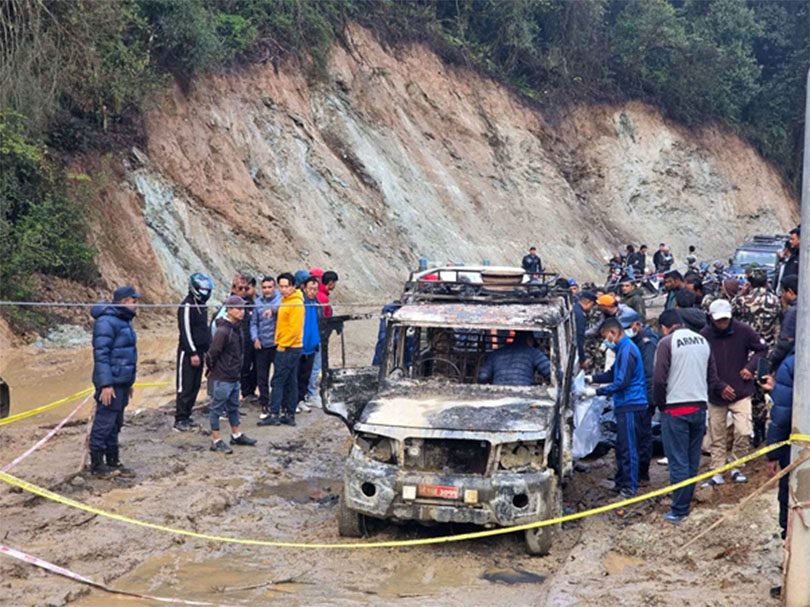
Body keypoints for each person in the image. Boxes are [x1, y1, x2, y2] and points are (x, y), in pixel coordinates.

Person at [653, 310, 725, 523]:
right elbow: (713, 377)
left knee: (678, 461)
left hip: (675, 409)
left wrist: (661, 404)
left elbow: (658, 379)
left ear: (664, 327)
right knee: (692, 459)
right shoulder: (703, 341)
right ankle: (686, 500)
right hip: (698, 408)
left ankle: (679, 510)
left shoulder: (667, 343)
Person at [700, 299, 768, 486]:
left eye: (725, 319)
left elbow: (762, 349)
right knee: (717, 435)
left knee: (744, 431)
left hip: (741, 391)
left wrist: (750, 367)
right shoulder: (704, 335)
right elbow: (702, 365)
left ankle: (737, 466)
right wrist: (718, 386)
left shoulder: (743, 330)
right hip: (716, 394)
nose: (722, 323)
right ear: (710, 318)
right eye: (718, 320)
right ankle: (717, 470)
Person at [584, 318, 648, 498]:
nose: (606, 341)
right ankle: (620, 482)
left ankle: (629, 488)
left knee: (628, 448)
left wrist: (596, 393)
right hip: (624, 403)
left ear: (613, 333)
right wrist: (592, 379)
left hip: (631, 404)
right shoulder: (621, 349)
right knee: (621, 447)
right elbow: (612, 374)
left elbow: (621, 382)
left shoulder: (627, 350)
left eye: (606, 337)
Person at [88, 286, 141, 477]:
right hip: (111, 383)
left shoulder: (123, 321)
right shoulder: (106, 322)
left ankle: (113, 461)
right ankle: (97, 465)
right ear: (125, 301)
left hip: (121, 381)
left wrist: (129, 383)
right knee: (104, 423)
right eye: (134, 301)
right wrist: (106, 385)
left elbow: (126, 354)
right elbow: (101, 355)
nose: (136, 305)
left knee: (115, 424)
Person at [733, 269, 781, 445]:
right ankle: (762, 430)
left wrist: (742, 292)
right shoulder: (775, 300)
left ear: (750, 282)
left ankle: (752, 432)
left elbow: (731, 312)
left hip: (748, 353)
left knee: (750, 394)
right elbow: (779, 323)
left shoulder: (743, 300)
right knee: (765, 390)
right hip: (768, 352)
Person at [207, 296, 257, 453]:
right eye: (238, 309)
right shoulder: (223, 331)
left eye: (242, 309)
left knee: (234, 407)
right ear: (229, 310)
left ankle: (236, 435)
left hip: (234, 376)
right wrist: (214, 370)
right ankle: (216, 440)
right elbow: (212, 354)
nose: (241, 312)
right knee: (217, 408)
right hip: (223, 377)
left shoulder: (237, 329)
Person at [262, 272, 305, 426]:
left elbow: (294, 329)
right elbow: (281, 310)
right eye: (281, 286)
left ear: (293, 286)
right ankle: (289, 413)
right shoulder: (286, 300)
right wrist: (272, 310)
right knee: (291, 380)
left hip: (289, 347)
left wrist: (282, 345)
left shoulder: (296, 303)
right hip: (289, 346)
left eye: (286, 286)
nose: (283, 289)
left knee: (278, 380)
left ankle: (274, 413)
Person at [174, 273, 213, 432]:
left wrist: (207, 349)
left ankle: (187, 415)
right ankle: (180, 419)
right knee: (185, 386)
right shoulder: (187, 305)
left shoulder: (202, 306)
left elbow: (204, 330)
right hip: (188, 353)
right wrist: (192, 352)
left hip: (201, 352)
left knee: (196, 385)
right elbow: (185, 331)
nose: (206, 292)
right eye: (203, 289)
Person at [625, 311, 658, 483]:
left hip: (644, 397)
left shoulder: (647, 343)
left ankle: (642, 474)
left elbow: (649, 373)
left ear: (637, 325)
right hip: (638, 395)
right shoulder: (635, 341)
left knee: (642, 436)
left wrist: (647, 399)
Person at [251, 276, 281, 420]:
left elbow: (282, 309)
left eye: (269, 287)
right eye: (264, 288)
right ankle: (264, 404)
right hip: (262, 345)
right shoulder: (257, 303)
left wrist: (273, 310)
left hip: (277, 345)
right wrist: (255, 338)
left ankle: (277, 404)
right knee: (261, 376)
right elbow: (253, 323)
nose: (267, 290)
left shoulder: (281, 301)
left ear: (274, 287)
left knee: (278, 376)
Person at [477, 331, 551, 385]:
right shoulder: (534, 353)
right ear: (529, 339)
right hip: (524, 395)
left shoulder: (496, 353)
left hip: (498, 395)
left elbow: (483, 376)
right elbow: (550, 373)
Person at [297, 276, 324, 413]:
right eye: (310, 289)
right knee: (296, 374)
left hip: (312, 345)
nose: (312, 292)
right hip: (299, 345)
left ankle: (302, 399)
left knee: (305, 376)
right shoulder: (300, 303)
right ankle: (293, 401)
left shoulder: (317, 305)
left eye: (315, 289)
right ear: (304, 288)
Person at [769, 274, 799, 372]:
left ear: (790, 292)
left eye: (782, 292)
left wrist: (772, 362)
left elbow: (786, 342)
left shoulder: (793, 312)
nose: (781, 295)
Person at [240, 275, 258, 401]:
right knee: (244, 367)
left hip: (256, 340)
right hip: (243, 340)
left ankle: (252, 390)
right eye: (243, 288)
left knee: (257, 367)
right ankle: (246, 393)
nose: (246, 291)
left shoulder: (257, 303)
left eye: (248, 288)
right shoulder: (238, 304)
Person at [574, 291, 597, 369]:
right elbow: (579, 338)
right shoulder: (580, 315)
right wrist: (582, 360)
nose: (592, 308)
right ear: (588, 302)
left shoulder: (574, 307)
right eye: (592, 305)